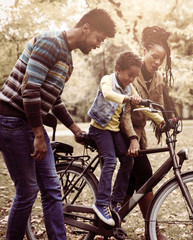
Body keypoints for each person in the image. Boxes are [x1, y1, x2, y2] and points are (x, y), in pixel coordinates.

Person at [0, 8, 116, 240]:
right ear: (86, 28)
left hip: (29, 122)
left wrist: (74, 128)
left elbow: (53, 99)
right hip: (11, 120)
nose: (98, 45)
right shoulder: (50, 42)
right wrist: (38, 135)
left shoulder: (67, 58)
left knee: (52, 190)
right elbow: (30, 89)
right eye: (98, 39)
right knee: (28, 190)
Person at [87, 52, 164, 226]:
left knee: (129, 159)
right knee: (110, 161)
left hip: (113, 130)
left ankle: (115, 202)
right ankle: (101, 204)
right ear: (118, 69)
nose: (131, 80)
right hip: (99, 129)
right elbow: (107, 94)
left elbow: (143, 107)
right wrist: (128, 98)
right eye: (129, 75)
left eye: (135, 76)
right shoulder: (108, 80)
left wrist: (162, 122)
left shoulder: (130, 87)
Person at [120, 26, 174, 240]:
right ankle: (153, 230)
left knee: (132, 181)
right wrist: (132, 138)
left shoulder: (158, 78)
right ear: (144, 50)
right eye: (154, 57)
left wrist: (165, 124)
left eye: (162, 59)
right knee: (145, 176)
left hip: (140, 134)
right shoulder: (130, 72)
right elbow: (124, 112)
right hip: (123, 131)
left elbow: (157, 108)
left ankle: (112, 219)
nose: (158, 62)